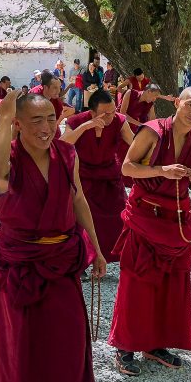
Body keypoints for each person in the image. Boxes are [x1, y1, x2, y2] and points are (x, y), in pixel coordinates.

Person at [0, 89, 104, 382]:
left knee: (69, 342)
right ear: (18, 124)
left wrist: (97, 250)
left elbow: (78, 199)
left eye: (51, 119)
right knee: (25, 347)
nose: (47, 127)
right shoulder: (9, 158)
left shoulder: (67, 154)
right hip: (21, 263)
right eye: (36, 120)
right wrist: (3, 121)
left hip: (63, 256)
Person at [109, 87, 191, 377]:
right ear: (177, 102)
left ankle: (156, 344)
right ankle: (125, 346)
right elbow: (128, 168)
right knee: (137, 283)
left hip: (176, 223)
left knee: (171, 285)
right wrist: (161, 170)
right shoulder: (153, 131)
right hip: (146, 217)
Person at [61, 88, 135, 261]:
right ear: (92, 111)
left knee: (120, 216)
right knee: (82, 219)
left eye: (112, 111)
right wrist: (85, 127)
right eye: (104, 113)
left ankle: (114, 255)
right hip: (83, 176)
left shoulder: (119, 120)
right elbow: (62, 144)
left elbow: (134, 143)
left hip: (109, 175)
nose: (110, 116)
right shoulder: (77, 120)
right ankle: (82, 257)